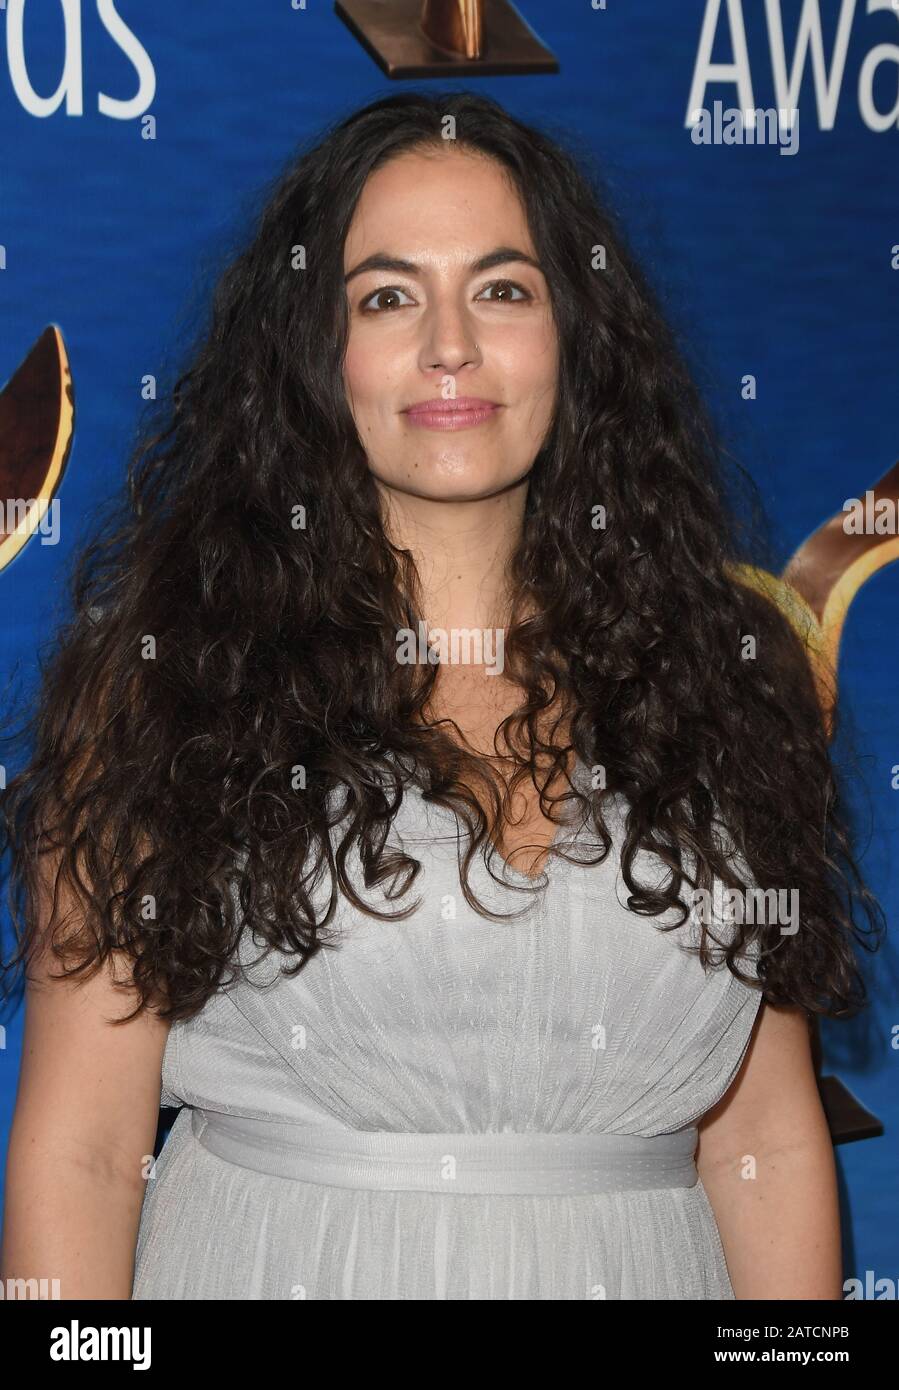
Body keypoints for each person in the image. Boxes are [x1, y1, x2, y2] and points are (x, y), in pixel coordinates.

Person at [0, 91, 883, 1301]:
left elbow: (760, 1141)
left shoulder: (718, 681)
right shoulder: (167, 684)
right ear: (315, 353)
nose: (450, 343)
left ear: (575, 335)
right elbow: (88, 1152)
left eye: (503, 287)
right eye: (387, 294)